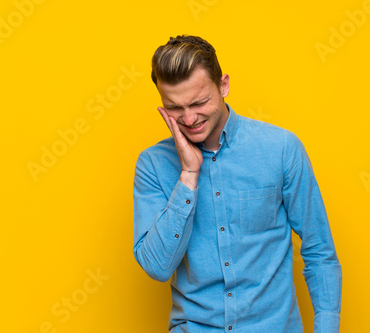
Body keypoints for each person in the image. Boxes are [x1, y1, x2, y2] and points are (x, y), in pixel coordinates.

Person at [133, 34, 342, 333]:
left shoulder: (281, 148)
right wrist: (188, 177)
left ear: (224, 86)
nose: (189, 118)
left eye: (199, 102)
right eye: (175, 109)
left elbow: (319, 250)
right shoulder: (153, 165)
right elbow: (157, 266)